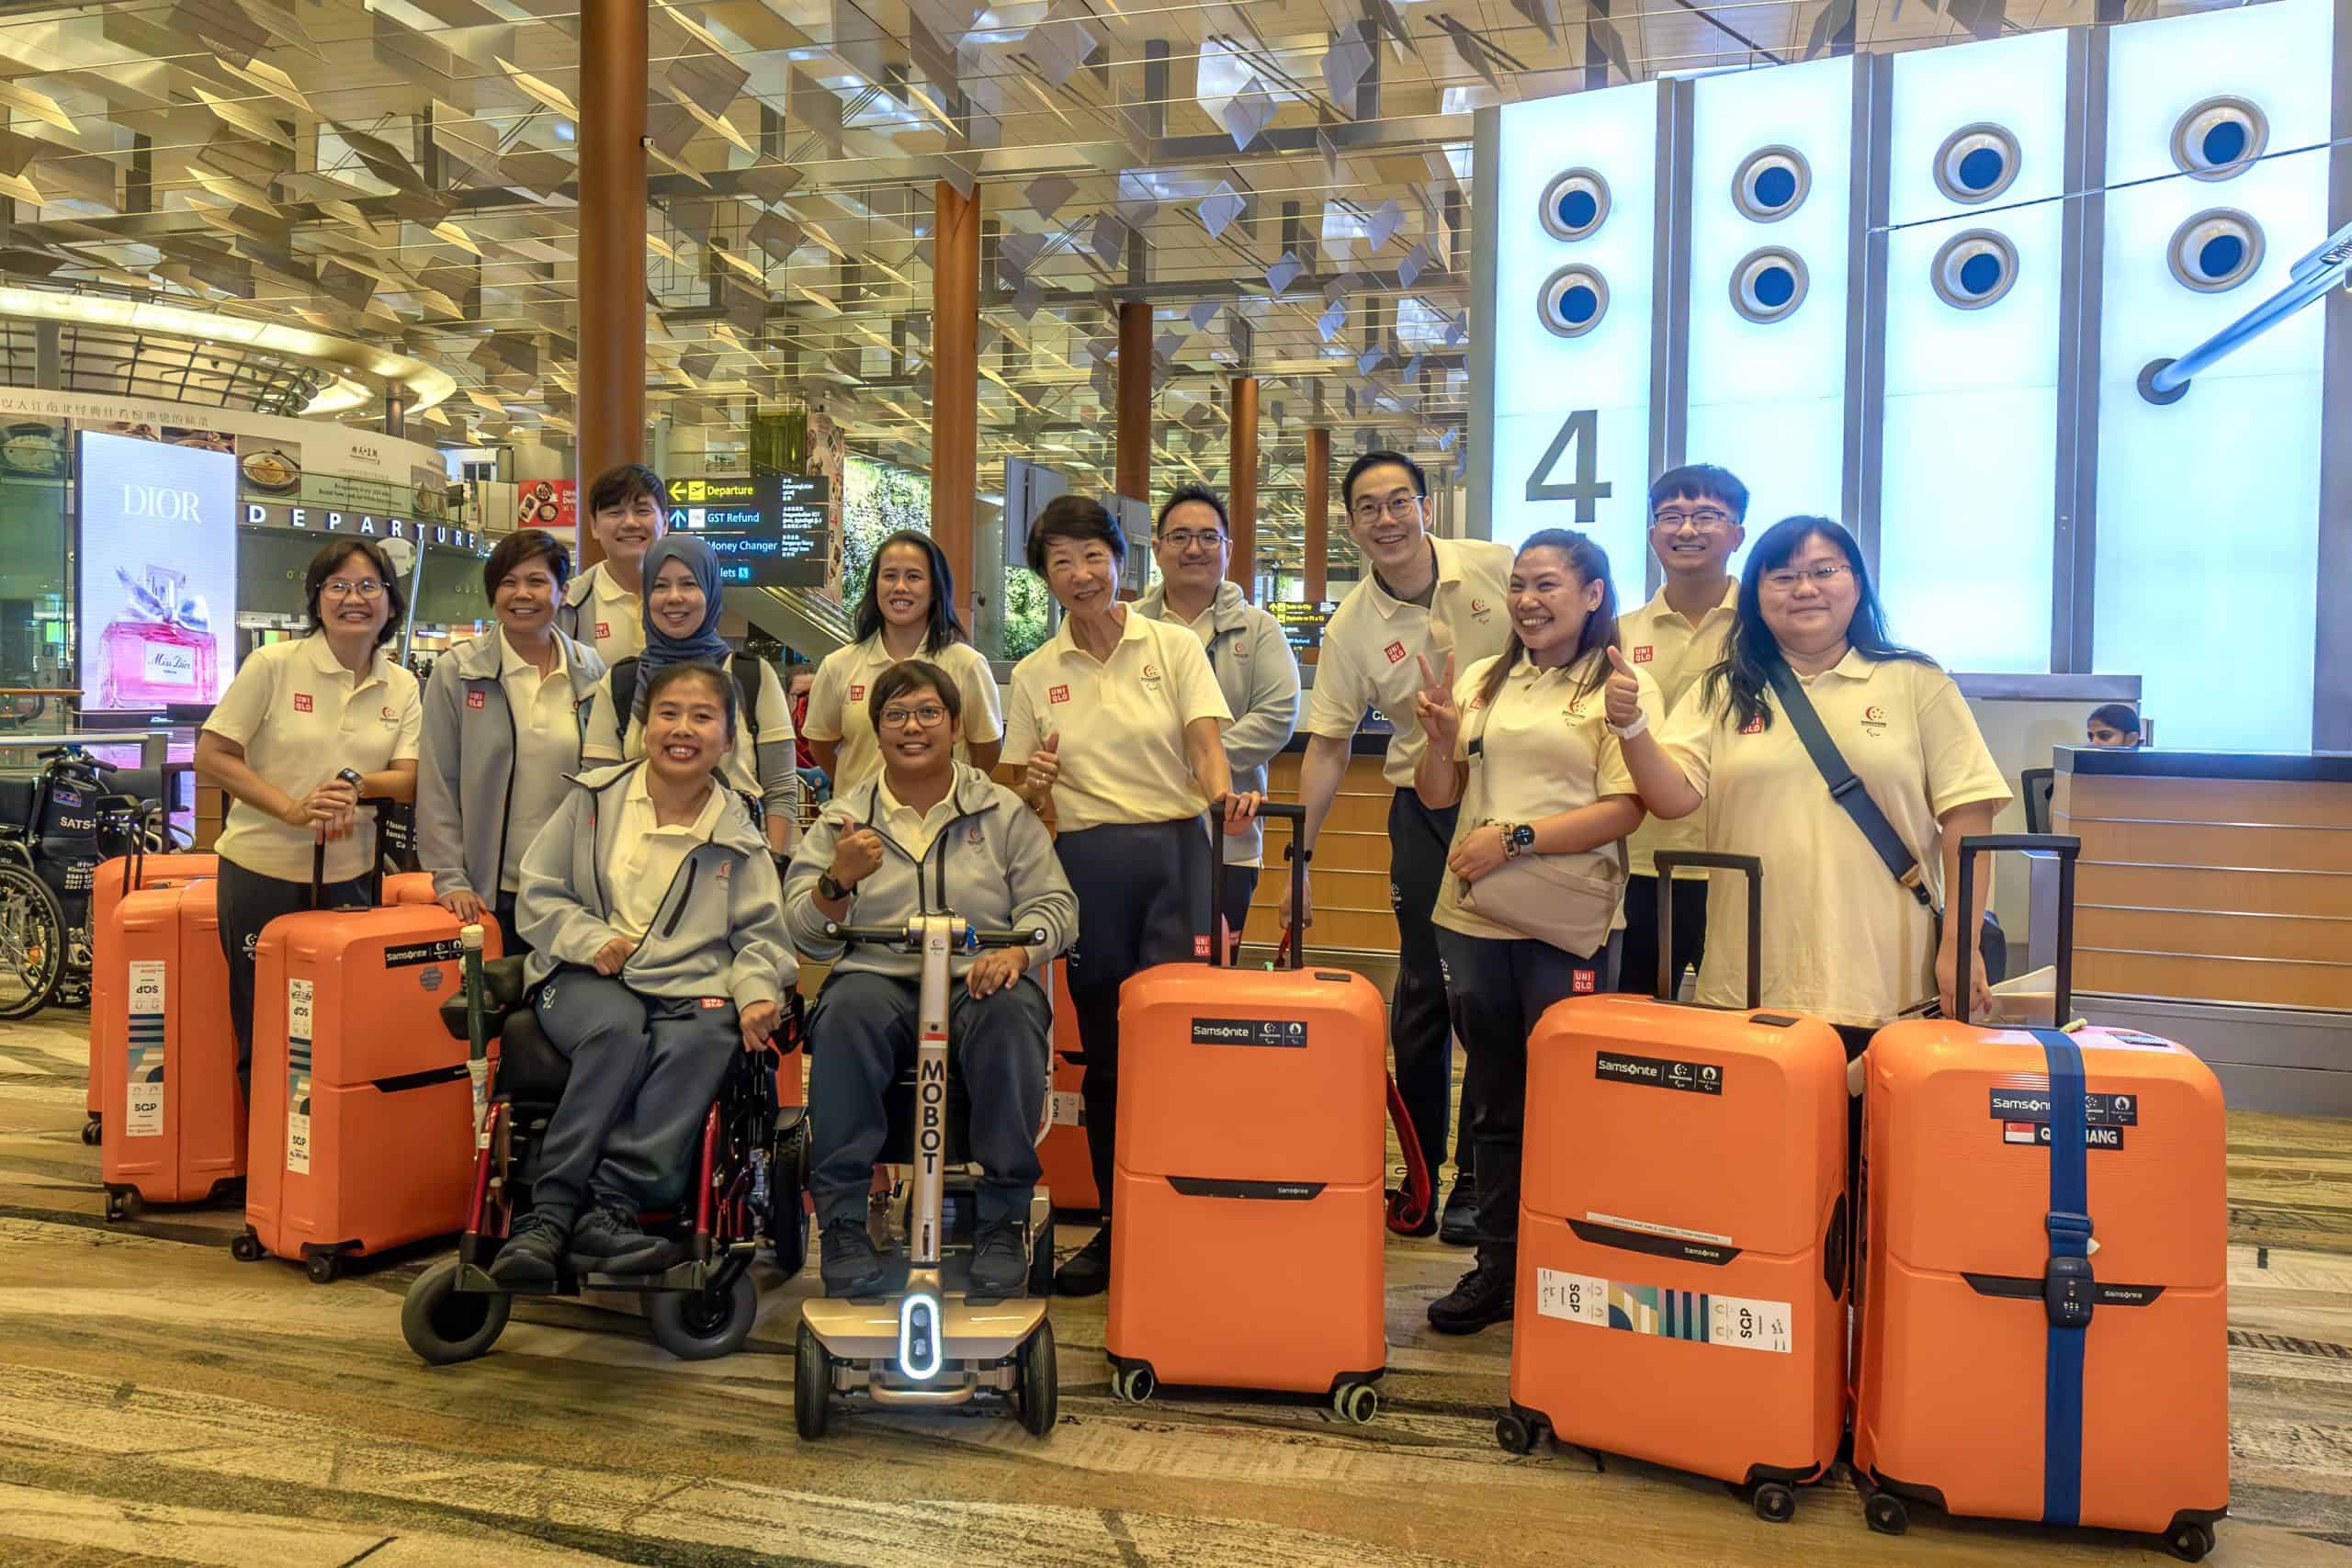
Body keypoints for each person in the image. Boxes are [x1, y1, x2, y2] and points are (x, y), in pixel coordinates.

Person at [1608, 515, 2011, 1056]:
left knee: (1872, 1135)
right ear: (1756, 596)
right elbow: (1672, 799)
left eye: (1824, 570)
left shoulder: (1916, 681)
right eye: (1783, 577)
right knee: (1756, 1136)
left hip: (1885, 978)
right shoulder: (1723, 689)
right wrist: (1631, 727)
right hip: (1749, 978)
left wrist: (1960, 950)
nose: (1805, 589)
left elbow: (1968, 822)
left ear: (1857, 583)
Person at [1001, 494, 1260, 1295]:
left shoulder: (1173, 645)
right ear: (1044, 575)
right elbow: (1020, 785)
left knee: (1182, 1046)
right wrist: (1033, 782)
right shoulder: (1037, 672)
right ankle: (1118, 1228)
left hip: (1178, 856)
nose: (1079, 575)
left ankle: (1192, 1214)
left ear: (1120, 560)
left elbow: (1205, 747)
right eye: (1059, 562)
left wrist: (1225, 802)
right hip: (1088, 864)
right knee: (1109, 1058)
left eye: (1092, 556)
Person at [1414, 529, 1657, 1334]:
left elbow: (1628, 806)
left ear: (1593, 594)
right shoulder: (1485, 678)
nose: (1527, 600)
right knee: (1492, 1095)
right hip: (1473, 915)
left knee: (1569, 1098)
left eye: (1547, 584)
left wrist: (1517, 836)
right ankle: (1499, 1263)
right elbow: (1441, 793)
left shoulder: (1617, 683)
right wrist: (1441, 737)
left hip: (1567, 921)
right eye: (1519, 585)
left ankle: (1569, 1268)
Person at [490, 661, 797, 1283]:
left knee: (710, 1031)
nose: (683, 729)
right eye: (669, 713)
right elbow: (540, 893)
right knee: (619, 1023)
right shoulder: (594, 800)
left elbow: (760, 936)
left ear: (729, 741)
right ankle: (546, 1217)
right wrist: (590, 937)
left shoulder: (737, 833)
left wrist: (757, 992)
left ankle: (611, 1208)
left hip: (691, 988)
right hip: (582, 977)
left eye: (703, 717)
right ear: (643, 728)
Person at [785, 660, 1076, 1299]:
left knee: (1011, 1014)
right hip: (879, 977)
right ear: (877, 728)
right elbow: (804, 931)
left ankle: (1002, 1220)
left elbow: (1055, 907)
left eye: (926, 713)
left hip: (978, 975)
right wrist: (836, 881)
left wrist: (1021, 954)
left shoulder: (1000, 810)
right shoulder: (843, 818)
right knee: (843, 1014)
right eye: (895, 715)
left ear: (955, 726)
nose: (911, 727)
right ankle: (840, 1223)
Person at [1291, 450, 1515, 1245]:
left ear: (1426, 507)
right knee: (1425, 992)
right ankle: (1422, 1174)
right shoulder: (1352, 626)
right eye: (1366, 509)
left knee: (1495, 993)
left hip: (1520, 804)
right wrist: (1300, 861)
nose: (1385, 520)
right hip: (1423, 808)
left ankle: (1483, 1178)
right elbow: (1325, 747)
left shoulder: (1496, 568)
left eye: (1398, 502)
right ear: (1350, 524)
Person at [194, 539, 422, 1092]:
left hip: (350, 877)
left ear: (390, 603)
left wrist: (352, 782)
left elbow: (410, 779)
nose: (354, 598)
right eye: (337, 586)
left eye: (370, 586)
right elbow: (214, 755)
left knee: (341, 1027)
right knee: (263, 1023)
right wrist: (292, 809)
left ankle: (323, 1169)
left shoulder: (403, 683)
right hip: (259, 872)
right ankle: (266, 1170)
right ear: (316, 600)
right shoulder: (273, 665)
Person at [415, 530, 606, 954]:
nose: (522, 594)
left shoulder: (590, 669)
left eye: (537, 581)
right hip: (487, 893)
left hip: (572, 892)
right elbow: (437, 781)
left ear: (563, 591)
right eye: (508, 582)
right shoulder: (459, 672)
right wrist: (449, 876)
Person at [1136, 484, 1301, 952]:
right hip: (1141, 829)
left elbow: (1276, 717)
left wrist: (1196, 757)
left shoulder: (1259, 629)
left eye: (1209, 538)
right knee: (1143, 971)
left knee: (1214, 967)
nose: (1194, 548)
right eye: (1180, 536)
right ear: (1157, 548)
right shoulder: (1129, 627)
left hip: (1230, 836)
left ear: (1228, 550)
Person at [1613, 465, 1747, 1001]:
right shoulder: (1618, 633)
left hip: (1735, 865)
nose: (1686, 529)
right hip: (1638, 862)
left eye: (1707, 516)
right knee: (1634, 1025)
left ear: (1737, 534)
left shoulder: (1763, 631)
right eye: (1671, 516)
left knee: (1734, 1023)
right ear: (1652, 536)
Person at [582, 536, 800, 853]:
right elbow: (596, 788)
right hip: (636, 867)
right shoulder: (621, 683)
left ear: (710, 591)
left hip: (737, 863)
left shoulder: (750, 676)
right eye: (660, 586)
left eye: (688, 584)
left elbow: (780, 789)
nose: (674, 598)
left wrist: (775, 866)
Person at [800, 529, 1002, 795]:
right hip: (862, 828)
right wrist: (859, 794)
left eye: (914, 577)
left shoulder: (967, 665)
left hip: (945, 826)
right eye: (890, 576)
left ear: (934, 589)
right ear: (875, 586)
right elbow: (820, 745)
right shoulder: (839, 665)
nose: (900, 587)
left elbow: (986, 751)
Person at [557, 464, 669, 668]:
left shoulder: (689, 596)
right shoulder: (569, 603)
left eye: (643, 511)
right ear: (594, 527)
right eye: (615, 512)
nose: (630, 523)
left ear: (666, 523)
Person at [787, 666, 831, 807]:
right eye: (799, 695)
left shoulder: (839, 739)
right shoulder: (778, 744)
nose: (805, 702)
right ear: (786, 697)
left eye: (813, 695)